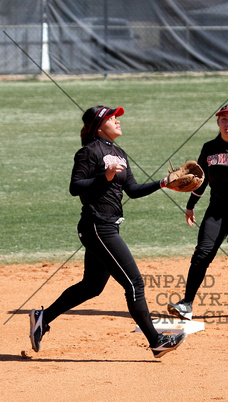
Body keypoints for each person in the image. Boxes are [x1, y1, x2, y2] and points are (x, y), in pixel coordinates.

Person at [29, 105, 186, 358]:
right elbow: (75, 186)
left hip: (108, 226)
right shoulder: (88, 152)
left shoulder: (120, 153)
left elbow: (132, 190)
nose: (118, 121)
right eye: (112, 118)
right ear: (99, 126)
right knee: (134, 283)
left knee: (92, 286)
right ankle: (156, 341)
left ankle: (43, 317)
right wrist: (106, 176)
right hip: (96, 226)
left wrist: (162, 183)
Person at [167, 103, 228, 320]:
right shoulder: (209, 148)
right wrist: (191, 206)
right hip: (217, 210)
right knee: (201, 254)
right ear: (218, 122)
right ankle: (187, 304)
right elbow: (200, 180)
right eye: (224, 119)